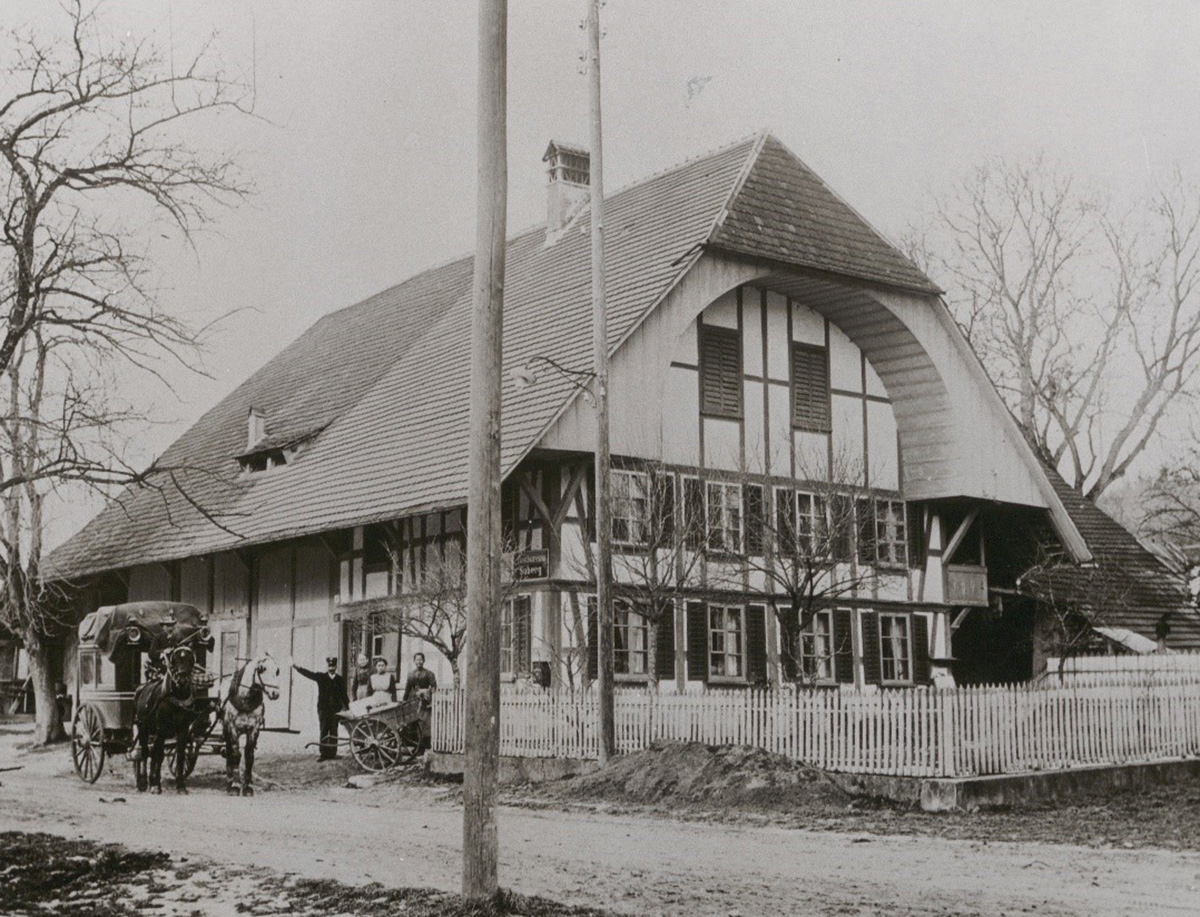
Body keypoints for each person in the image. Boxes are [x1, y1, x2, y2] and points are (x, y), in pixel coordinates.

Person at [292, 656, 350, 760]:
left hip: (335, 710)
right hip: (323, 709)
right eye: (329, 666)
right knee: (323, 729)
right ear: (327, 667)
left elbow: (344, 695)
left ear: (336, 667)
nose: (331, 668)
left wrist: (348, 707)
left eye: (333, 666)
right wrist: (297, 668)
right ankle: (323, 754)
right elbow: (309, 674)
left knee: (333, 730)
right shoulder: (321, 677)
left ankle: (333, 753)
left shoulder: (340, 679)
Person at [403, 652, 437, 753]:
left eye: (420, 660)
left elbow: (434, 687)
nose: (419, 662)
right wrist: (404, 701)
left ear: (424, 661)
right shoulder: (411, 674)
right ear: (414, 661)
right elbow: (407, 689)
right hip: (413, 700)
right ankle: (416, 745)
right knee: (413, 722)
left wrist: (427, 693)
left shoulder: (429, 673)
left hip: (425, 701)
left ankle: (424, 745)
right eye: (417, 660)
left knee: (424, 723)